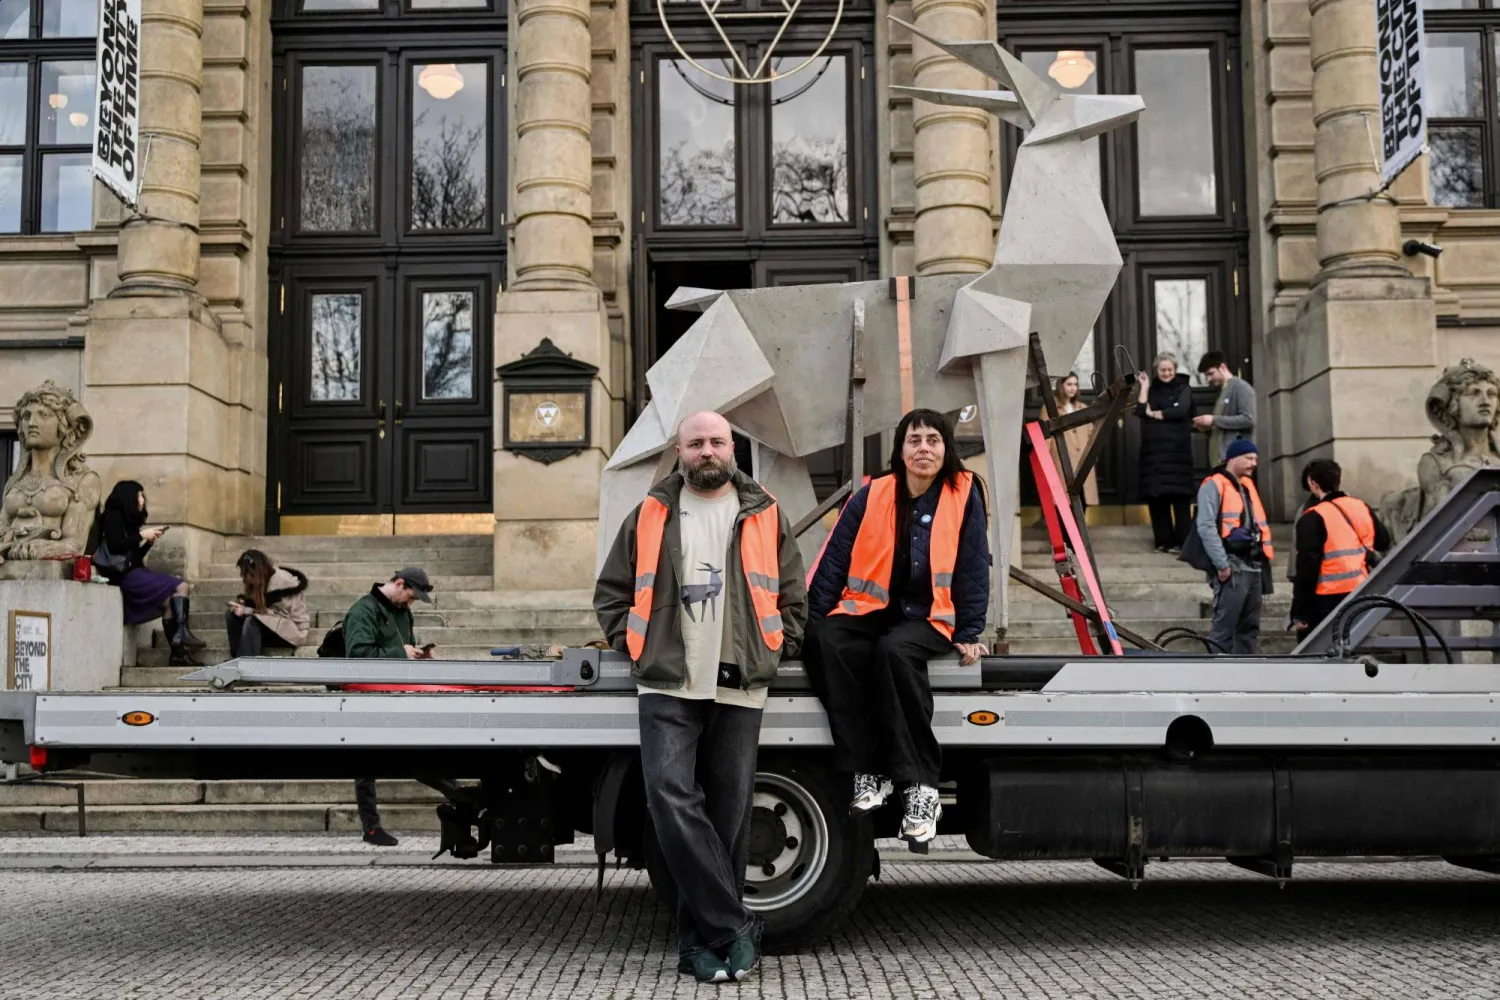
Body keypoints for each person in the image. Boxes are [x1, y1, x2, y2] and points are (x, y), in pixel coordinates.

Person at [595, 410, 807, 984]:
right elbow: (612, 590)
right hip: (667, 676)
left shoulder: (763, 512)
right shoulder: (649, 513)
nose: (707, 450)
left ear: (731, 447)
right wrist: (632, 644)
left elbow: (793, 592)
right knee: (668, 798)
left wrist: (779, 644)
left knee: (729, 817)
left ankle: (700, 945)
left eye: (716, 441)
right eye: (696, 443)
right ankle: (735, 925)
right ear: (680, 452)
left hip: (741, 678)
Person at [804, 408, 991, 846]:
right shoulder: (872, 494)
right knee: (825, 641)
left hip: (929, 616)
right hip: (871, 609)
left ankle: (921, 786)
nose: (923, 448)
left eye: (933, 440)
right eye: (914, 440)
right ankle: (868, 769)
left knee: (895, 653)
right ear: (900, 449)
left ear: (946, 449)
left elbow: (972, 566)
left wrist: (970, 630)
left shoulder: (964, 493)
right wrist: (811, 622)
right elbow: (835, 559)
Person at [347, 568, 436, 848]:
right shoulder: (363, 611)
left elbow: (400, 649)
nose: (411, 603)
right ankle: (371, 828)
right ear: (399, 584)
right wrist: (401, 653)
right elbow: (357, 655)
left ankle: (463, 798)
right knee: (364, 765)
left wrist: (417, 655)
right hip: (364, 696)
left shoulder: (402, 611)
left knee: (421, 750)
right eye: (410, 596)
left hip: (397, 693)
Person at [94, 481, 205, 666]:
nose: (142, 499)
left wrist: (149, 543)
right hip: (125, 577)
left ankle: (178, 655)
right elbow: (114, 547)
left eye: (142, 495)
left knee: (171, 603)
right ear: (128, 497)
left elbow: (133, 557)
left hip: (134, 572)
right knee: (182, 585)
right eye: (139, 495)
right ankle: (182, 632)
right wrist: (141, 536)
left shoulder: (129, 522)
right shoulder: (114, 517)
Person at [1290, 459, 1391, 643]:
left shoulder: (1312, 517)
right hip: (1360, 592)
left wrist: (1300, 611)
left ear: (1312, 483)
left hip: (1325, 600)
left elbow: (1307, 569)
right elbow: (1383, 542)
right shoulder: (1361, 507)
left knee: (1317, 654)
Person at [1192, 440, 1272, 654]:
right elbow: (1206, 526)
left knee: (1249, 628)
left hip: (1252, 565)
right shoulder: (1214, 484)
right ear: (1232, 458)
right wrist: (1222, 564)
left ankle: (1243, 677)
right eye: (1248, 458)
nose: (1254, 463)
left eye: (1255, 458)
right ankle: (1217, 679)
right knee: (1224, 631)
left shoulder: (1246, 486)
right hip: (1233, 567)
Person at [1134, 353, 1196, 552]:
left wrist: (1156, 414)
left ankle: (1183, 542)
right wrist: (1144, 387)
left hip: (1177, 452)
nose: (1167, 373)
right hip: (1154, 453)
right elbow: (1141, 410)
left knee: (1180, 498)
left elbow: (1182, 410)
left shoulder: (1183, 388)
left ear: (1175, 370)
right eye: (1162, 370)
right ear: (1156, 371)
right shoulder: (1151, 390)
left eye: (1170, 369)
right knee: (1157, 497)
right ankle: (1163, 541)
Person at [225, 549, 310, 658]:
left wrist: (247, 610)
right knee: (232, 615)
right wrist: (244, 605)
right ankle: (237, 658)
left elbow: (278, 615)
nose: (246, 578)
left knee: (252, 621)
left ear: (257, 571)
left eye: (248, 574)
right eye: (244, 574)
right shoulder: (261, 581)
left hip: (292, 631)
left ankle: (247, 662)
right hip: (274, 627)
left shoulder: (283, 582)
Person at [1193, 351, 1256, 462]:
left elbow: (1248, 419)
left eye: (1211, 373)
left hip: (1234, 460)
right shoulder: (1221, 392)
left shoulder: (1241, 387)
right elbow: (1223, 426)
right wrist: (1208, 427)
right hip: (1220, 461)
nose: (1209, 379)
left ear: (1222, 367)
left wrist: (1213, 420)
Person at [1047, 372, 1099, 505]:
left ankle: (1080, 527)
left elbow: (1091, 435)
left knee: (1082, 500)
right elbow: (1046, 439)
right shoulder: (1051, 409)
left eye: (1075, 384)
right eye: (1069, 384)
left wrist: (1092, 455)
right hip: (1062, 461)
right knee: (1064, 502)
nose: (1073, 388)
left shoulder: (1082, 408)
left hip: (1082, 462)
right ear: (1061, 386)